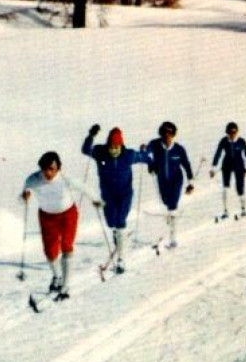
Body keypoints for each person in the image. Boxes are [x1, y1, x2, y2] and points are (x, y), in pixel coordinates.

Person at [21, 151, 99, 300]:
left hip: (67, 214)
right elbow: (23, 196)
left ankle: (66, 286)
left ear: (58, 168)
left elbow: (83, 188)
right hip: (47, 216)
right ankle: (57, 276)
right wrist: (24, 197)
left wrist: (95, 200)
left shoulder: (65, 179)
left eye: (52, 169)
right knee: (50, 251)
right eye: (45, 169)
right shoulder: (32, 180)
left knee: (67, 246)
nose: (48, 173)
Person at [81, 125, 148, 273]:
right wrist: (91, 136)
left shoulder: (129, 155)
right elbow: (85, 149)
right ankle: (117, 234)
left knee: (121, 221)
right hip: (108, 194)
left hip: (125, 193)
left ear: (121, 145)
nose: (113, 149)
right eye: (111, 146)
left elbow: (144, 157)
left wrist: (148, 157)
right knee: (111, 222)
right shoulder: (100, 152)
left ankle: (121, 259)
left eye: (116, 146)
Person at [143, 121, 195, 248]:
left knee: (172, 205)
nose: (167, 136)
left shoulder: (179, 149)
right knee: (166, 202)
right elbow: (147, 153)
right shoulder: (155, 144)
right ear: (161, 134)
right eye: (165, 133)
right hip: (162, 179)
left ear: (173, 134)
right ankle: (171, 217)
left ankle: (173, 239)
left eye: (170, 134)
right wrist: (150, 164)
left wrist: (191, 183)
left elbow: (187, 165)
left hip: (176, 179)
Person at [212, 121, 246, 219]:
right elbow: (218, 154)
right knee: (225, 188)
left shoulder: (241, 141)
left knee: (240, 187)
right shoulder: (224, 141)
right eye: (230, 133)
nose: (231, 136)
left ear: (237, 132)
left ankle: (243, 209)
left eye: (233, 133)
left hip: (239, 165)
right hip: (226, 165)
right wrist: (213, 168)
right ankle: (226, 211)